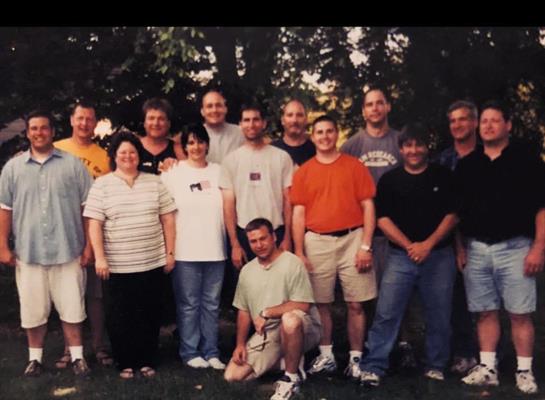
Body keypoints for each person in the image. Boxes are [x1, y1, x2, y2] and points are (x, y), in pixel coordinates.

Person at [359, 122, 458, 387]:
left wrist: (427, 244)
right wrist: (410, 246)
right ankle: (373, 366)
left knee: (439, 314)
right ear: (401, 149)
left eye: (419, 145)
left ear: (427, 147)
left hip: (438, 256)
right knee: (386, 313)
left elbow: (452, 215)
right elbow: (383, 220)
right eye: (408, 145)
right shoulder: (390, 180)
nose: (414, 150)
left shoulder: (443, 176)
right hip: (400, 257)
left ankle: (435, 365)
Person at [456, 101, 545, 394]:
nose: (488, 126)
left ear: (508, 125)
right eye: (484, 121)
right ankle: (488, 369)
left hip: (516, 247)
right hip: (477, 249)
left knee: (520, 313)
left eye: (495, 121)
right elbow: (457, 214)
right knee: (485, 312)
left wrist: (538, 248)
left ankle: (524, 371)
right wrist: (460, 248)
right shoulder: (468, 165)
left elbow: (541, 208)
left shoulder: (527, 160)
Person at [0, 110, 92, 377]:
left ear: (52, 131)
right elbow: (5, 210)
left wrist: (89, 246)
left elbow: (88, 209)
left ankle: (78, 357)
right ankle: (35, 360)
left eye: (44, 128)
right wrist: (3, 246)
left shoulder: (73, 165)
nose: (39, 133)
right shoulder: (12, 168)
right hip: (28, 252)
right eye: (34, 128)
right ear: (27, 133)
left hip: (69, 250)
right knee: (32, 309)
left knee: (73, 307)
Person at [84, 131, 177, 379]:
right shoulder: (102, 185)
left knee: (149, 312)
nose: (128, 156)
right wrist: (100, 257)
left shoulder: (154, 182)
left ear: (139, 155)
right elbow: (95, 224)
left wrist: (170, 253)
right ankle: (125, 361)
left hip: (151, 261)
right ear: (114, 156)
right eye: (122, 152)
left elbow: (168, 219)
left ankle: (147, 360)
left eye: (133, 152)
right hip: (117, 264)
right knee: (119, 315)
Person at [291, 115, 376, 379]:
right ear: (312, 136)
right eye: (319, 132)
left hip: (353, 239)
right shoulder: (304, 171)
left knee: (356, 303)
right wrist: (299, 251)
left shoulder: (354, 166)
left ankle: (355, 359)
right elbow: (298, 214)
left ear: (336, 134)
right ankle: (326, 356)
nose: (325, 136)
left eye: (329, 131)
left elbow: (368, 206)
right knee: (321, 304)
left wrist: (366, 246)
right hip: (317, 241)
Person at [340, 86, 415, 367]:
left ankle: (404, 344)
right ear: (363, 111)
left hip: (397, 228)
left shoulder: (400, 141)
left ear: (388, 107)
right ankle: (369, 345)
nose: (375, 108)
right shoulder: (352, 146)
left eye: (379, 103)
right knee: (365, 293)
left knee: (398, 291)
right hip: (363, 231)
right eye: (369, 104)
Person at [224, 218, 321, 400]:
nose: (259, 245)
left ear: (274, 237)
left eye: (263, 238)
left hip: (301, 327)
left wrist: (267, 312)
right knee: (233, 376)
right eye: (253, 241)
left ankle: (290, 379)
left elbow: (303, 304)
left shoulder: (292, 263)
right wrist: (240, 344)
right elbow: (243, 310)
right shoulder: (247, 271)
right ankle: (288, 362)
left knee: (289, 320)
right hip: (268, 334)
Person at [161, 124, 226, 370]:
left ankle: (211, 352)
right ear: (184, 146)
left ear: (207, 144)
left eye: (200, 141)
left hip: (215, 249)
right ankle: (189, 352)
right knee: (189, 304)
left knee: (211, 304)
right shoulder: (173, 173)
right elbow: (165, 213)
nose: (196, 147)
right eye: (190, 142)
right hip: (185, 250)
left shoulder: (219, 171)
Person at [53, 100, 113, 368]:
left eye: (89, 119)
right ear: (71, 120)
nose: (84, 123)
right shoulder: (57, 150)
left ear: (95, 123)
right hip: (64, 232)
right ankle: (70, 349)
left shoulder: (104, 156)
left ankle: (99, 347)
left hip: (95, 232)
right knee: (67, 293)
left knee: (95, 295)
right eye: (80, 118)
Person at [220, 104, 294, 269]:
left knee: (279, 284)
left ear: (264, 123)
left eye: (256, 120)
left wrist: (287, 237)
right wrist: (235, 244)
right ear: (240, 124)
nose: (251, 124)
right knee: (248, 284)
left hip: (276, 234)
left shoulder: (281, 157)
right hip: (245, 237)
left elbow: (288, 200)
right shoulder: (231, 160)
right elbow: (228, 205)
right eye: (246, 120)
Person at [436, 100, 480, 374]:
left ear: (474, 122)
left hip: (488, 236)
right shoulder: (443, 161)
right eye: (453, 120)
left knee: (489, 301)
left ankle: (490, 354)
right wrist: (457, 245)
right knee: (457, 298)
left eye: (463, 119)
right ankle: (463, 353)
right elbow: (445, 208)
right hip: (453, 239)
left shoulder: (489, 155)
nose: (457, 125)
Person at [139, 97, 185, 174]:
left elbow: (189, 176)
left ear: (168, 124)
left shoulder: (178, 150)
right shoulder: (133, 147)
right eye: (151, 118)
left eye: (161, 119)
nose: (156, 123)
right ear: (144, 123)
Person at [201, 89, 244, 164]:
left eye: (218, 105)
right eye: (209, 106)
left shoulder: (241, 133)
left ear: (225, 109)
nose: (214, 110)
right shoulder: (194, 135)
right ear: (202, 111)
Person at [271, 99, 315, 167]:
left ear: (306, 120)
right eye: (290, 115)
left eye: (299, 115)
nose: (294, 120)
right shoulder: (271, 150)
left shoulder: (317, 151)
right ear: (282, 120)